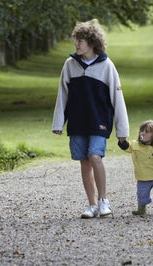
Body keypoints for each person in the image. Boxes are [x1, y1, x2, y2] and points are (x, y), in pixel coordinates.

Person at [52, 19, 129, 219]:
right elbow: (63, 95)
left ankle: (104, 200)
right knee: (84, 162)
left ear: (93, 42)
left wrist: (122, 132)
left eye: (81, 40)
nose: (77, 44)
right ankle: (92, 204)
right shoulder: (69, 65)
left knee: (95, 156)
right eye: (76, 40)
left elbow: (117, 98)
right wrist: (58, 122)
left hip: (99, 121)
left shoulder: (107, 65)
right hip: (77, 122)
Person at [118, 120, 153, 215]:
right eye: (142, 131)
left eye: (147, 131)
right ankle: (141, 208)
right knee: (142, 193)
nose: (143, 133)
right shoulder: (135, 144)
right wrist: (122, 142)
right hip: (142, 177)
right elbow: (127, 147)